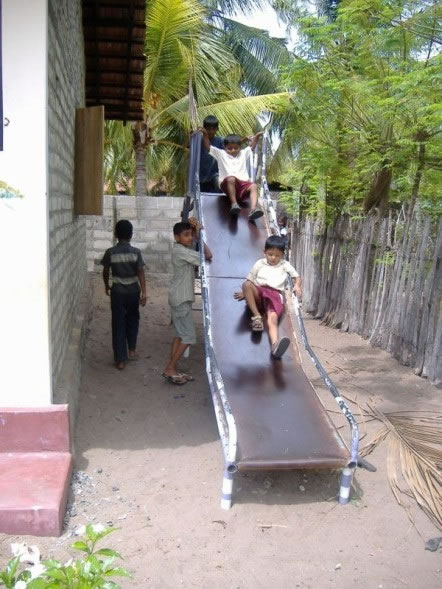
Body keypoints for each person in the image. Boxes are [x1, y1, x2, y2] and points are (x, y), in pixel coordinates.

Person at [234, 235, 302, 359]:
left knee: (272, 319)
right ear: (264, 252)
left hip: (274, 295)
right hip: (260, 291)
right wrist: (245, 293)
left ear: (282, 255)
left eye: (277, 255)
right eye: (270, 254)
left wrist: (297, 286)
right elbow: (250, 280)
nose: (273, 258)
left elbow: (296, 276)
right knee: (246, 284)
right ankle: (257, 316)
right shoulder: (259, 264)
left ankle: (275, 346)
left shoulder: (284, 264)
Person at [162, 218, 212, 385]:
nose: (190, 238)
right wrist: (199, 234)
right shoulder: (181, 252)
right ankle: (170, 367)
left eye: (190, 235)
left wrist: (195, 232)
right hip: (181, 299)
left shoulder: (181, 248)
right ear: (176, 237)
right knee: (189, 337)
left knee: (179, 334)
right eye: (186, 235)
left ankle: (172, 367)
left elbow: (193, 247)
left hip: (178, 297)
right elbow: (208, 256)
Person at [101, 220, 147, 370]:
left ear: (115, 235)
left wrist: (106, 285)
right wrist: (144, 293)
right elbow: (141, 272)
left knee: (118, 323)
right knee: (133, 320)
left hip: (118, 293)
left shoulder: (110, 252)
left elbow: (105, 270)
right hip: (134, 292)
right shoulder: (136, 252)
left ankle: (120, 360)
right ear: (131, 235)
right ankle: (132, 350)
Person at [200, 128, 264, 221]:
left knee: (254, 186)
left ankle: (253, 209)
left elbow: (252, 146)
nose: (233, 150)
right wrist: (205, 134)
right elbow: (208, 146)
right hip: (227, 184)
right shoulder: (220, 154)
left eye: (236, 148)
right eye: (229, 148)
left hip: (242, 186)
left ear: (240, 147)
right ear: (225, 147)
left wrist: (257, 136)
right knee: (231, 179)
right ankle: (234, 204)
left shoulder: (243, 153)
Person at [199, 115, 223, 193]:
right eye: (208, 129)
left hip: (215, 175)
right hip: (201, 177)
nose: (211, 131)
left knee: (218, 188)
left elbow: (232, 145)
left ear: (217, 129)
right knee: (202, 199)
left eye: (213, 129)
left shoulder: (220, 141)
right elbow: (187, 145)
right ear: (204, 129)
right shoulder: (198, 140)